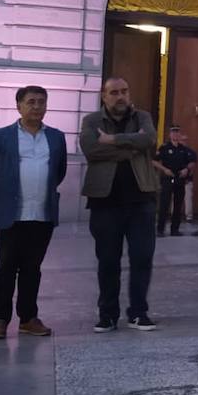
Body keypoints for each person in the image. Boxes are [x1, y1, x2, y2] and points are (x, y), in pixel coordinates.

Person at [0, 85, 67, 340]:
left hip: (42, 214)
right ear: (19, 105)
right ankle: (0, 319)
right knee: (5, 267)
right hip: (11, 214)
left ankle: (28, 318)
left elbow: (58, 172)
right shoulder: (1, 136)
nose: (36, 106)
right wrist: (2, 194)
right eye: (31, 102)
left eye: (41, 102)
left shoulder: (56, 137)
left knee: (32, 268)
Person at [80, 78, 159, 333]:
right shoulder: (91, 121)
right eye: (114, 93)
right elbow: (91, 150)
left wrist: (112, 140)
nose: (120, 97)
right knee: (107, 260)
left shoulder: (143, 117)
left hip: (141, 199)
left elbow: (149, 140)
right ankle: (108, 315)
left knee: (142, 258)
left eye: (124, 91)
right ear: (104, 96)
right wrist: (130, 147)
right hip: (105, 201)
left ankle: (138, 313)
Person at [152, 125, 197, 237]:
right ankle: (160, 229)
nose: (175, 134)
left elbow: (192, 161)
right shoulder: (164, 147)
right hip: (168, 178)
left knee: (178, 205)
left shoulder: (184, 149)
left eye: (177, 132)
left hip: (180, 179)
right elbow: (154, 161)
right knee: (164, 204)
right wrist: (164, 169)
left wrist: (186, 169)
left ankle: (175, 229)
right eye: (173, 132)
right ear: (170, 134)